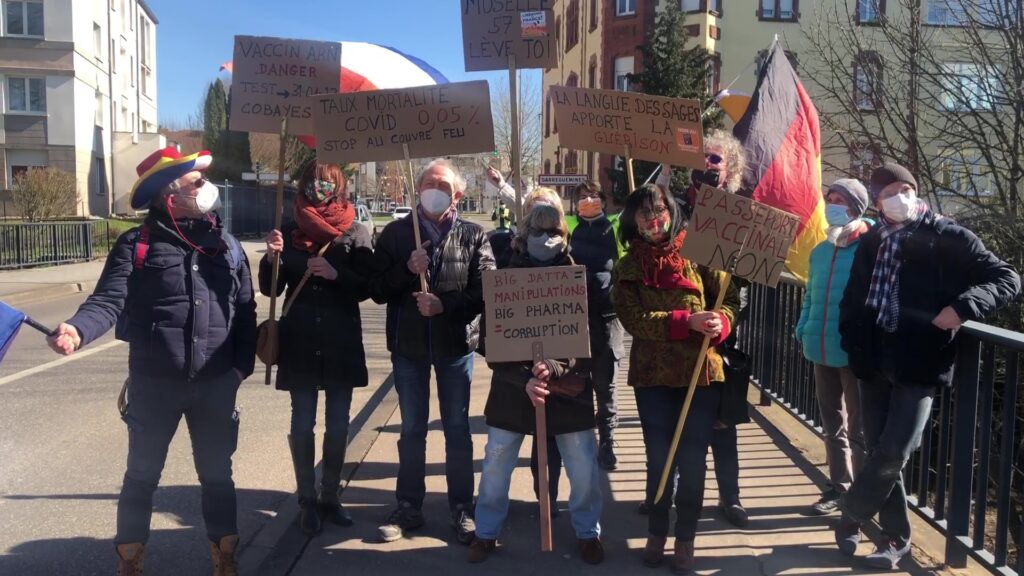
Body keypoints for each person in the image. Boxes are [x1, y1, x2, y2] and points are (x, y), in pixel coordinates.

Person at [46, 147, 257, 575]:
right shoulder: (136, 244)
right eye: (195, 183)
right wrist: (77, 328)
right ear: (169, 195)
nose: (206, 189)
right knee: (141, 477)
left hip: (217, 382)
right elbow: (107, 300)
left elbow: (247, 309)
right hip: (154, 384)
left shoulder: (228, 245)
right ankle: (131, 561)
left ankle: (224, 557)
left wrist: (240, 369)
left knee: (218, 477)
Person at [836, 163, 1020, 569]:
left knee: (894, 452)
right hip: (872, 359)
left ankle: (851, 512)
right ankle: (895, 538)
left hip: (920, 363)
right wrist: (852, 340)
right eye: (888, 193)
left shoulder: (947, 235)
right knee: (878, 449)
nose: (899, 198)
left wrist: (963, 308)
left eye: (906, 189)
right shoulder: (872, 240)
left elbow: (1006, 277)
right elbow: (853, 297)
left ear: (915, 191)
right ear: (878, 201)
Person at [612, 184, 739, 574]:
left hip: (700, 376)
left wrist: (721, 323)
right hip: (653, 377)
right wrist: (687, 322)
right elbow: (634, 321)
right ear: (633, 221)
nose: (654, 219)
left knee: (693, 460)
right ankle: (656, 530)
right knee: (658, 459)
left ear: (673, 212)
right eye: (644, 214)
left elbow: (729, 300)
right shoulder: (628, 268)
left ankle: (685, 539)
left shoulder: (702, 254)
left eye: (661, 210)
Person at [468, 204, 605, 564]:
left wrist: (557, 367)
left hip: (567, 389)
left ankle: (588, 531)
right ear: (525, 235)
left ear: (566, 234)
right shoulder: (506, 278)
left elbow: (594, 339)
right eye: (539, 230)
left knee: (583, 465)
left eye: (555, 231)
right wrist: (524, 377)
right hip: (513, 391)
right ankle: (485, 532)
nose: (547, 238)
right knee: (496, 463)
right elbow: (490, 344)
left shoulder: (580, 277)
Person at [369, 158, 496, 544]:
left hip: (454, 347)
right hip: (408, 348)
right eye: (427, 182)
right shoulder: (394, 234)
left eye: (441, 184)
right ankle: (409, 506)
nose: (432, 189)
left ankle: (462, 508)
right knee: (412, 429)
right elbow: (377, 290)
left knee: (457, 429)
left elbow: (487, 291)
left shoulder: (475, 235)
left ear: (457, 193)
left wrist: (445, 306)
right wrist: (407, 269)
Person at [261, 161, 374, 535]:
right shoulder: (289, 229)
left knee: (339, 424)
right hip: (301, 339)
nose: (320, 187)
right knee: (302, 421)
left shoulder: (356, 232)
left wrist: (337, 274)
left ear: (339, 185)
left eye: (328, 182)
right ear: (303, 186)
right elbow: (271, 290)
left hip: (341, 338)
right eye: (313, 181)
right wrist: (271, 256)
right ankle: (306, 499)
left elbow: (368, 288)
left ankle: (331, 496)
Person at [654, 129, 750, 528]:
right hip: (679, 331)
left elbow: (742, 283)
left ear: (728, 168)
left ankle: (731, 497)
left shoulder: (741, 214)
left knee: (720, 424)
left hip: (717, 337)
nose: (706, 166)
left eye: (714, 160)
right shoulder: (674, 208)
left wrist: (724, 321)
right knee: (675, 421)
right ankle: (663, 494)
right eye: (701, 159)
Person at [795, 179, 871, 515]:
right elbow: (811, 294)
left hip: (854, 352)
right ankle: (840, 488)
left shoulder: (872, 246)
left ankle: (863, 495)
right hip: (819, 347)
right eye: (830, 199)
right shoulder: (820, 251)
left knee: (860, 428)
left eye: (838, 200)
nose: (831, 205)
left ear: (855, 207)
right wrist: (801, 327)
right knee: (832, 425)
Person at [565, 180, 625, 471]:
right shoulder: (566, 226)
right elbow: (533, 209)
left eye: (593, 195)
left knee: (605, 385)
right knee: (577, 385)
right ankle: (581, 445)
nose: (588, 199)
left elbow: (644, 208)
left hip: (607, 318)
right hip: (575, 320)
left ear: (602, 198)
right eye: (582, 196)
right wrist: (502, 188)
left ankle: (608, 442)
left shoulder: (615, 225)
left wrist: (663, 173)